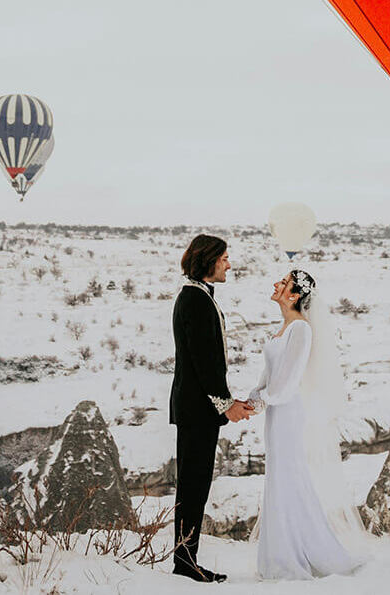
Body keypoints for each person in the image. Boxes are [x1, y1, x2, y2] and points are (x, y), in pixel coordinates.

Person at [247, 270, 367, 580]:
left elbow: (287, 383)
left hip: (287, 413)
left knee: (289, 478)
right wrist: (253, 397)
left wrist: (263, 400)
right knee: (280, 477)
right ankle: (282, 553)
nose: (276, 284)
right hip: (276, 413)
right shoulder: (285, 327)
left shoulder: (300, 329)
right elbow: (270, 375)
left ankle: (294, 556)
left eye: (283, 282)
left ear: (294, 296)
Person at [170, 235, 253, 583]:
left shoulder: (196, 296)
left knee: (193, 486)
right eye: (224, 259)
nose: (229, 265)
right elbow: (205, 363)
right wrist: (226, 404)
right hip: (197, 409)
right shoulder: (196, 301)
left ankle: (185, 560)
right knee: (194, 488)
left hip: (194, 407)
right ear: (208, 261)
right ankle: (186, 563)